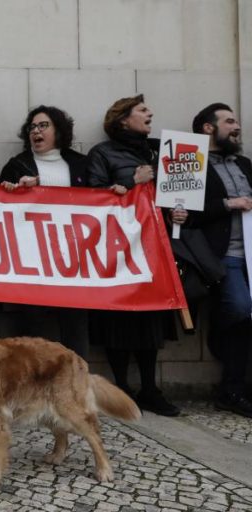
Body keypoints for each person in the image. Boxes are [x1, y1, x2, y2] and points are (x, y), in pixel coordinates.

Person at [86, 94, 185, 416]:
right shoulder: (103, 153)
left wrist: (177, 214)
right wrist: (132, 181)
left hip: (155, 248)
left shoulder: (160, 151)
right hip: (120, 250)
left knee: (151, 319)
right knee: (118, 320)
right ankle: (121, 389)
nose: (150, 113)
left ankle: (150, 389)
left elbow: (174, 196)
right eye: (142, 109)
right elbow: (93, 197)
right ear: (123, 119)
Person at [0, 106, 89, 358]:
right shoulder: (17, 165)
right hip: (33, 261)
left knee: (75, 325)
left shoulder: (80, 164)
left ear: (58, 130)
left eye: (43, 125)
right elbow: (0, 208)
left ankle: (77, 378)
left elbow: (97, 198)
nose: (36, 131)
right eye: (32, 127)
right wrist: (14, 191)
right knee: (34, 328)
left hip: (74, 260)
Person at [190, 103, 252, 418]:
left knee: (243, 319)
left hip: (250, 255)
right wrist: (229, 204)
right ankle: (230, 383)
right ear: (208, 128)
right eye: (229, 121)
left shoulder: (244, 163)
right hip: (225, 255)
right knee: (239, 310)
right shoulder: (194, 165)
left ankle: (234, 389)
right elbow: (188, 214)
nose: (236, 126)